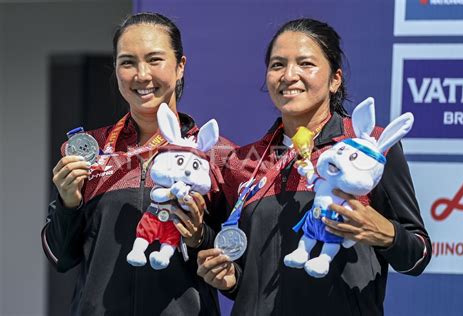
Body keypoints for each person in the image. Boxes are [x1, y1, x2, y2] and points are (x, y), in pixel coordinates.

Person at [197, 18, 431, 315]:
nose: (289, 75)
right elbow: (247, 277)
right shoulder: (244, 162)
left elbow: (418, 255)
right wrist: (229, 279)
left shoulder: (369, 147)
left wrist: (386, 233)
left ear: (335, 79)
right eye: (277, 65)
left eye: (306, 64)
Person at [41, 12, 234, 316]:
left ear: (180, 66)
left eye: (155, 60)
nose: (141, 75)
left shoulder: (219, 156)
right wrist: (69, 203)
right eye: (128, 62)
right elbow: (61, 257)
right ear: (116, 69)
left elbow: (237, 266)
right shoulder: (89, 152)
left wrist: (198, 237)